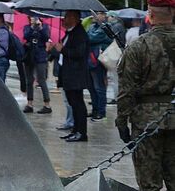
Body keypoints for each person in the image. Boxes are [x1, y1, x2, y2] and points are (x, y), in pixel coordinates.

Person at [115, 0, 175, 191]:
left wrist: (122, 120)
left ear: (150, 14)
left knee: (149, 186)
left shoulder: (139, 46)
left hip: (147, 122)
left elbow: (127, 90)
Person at [52, 10, 91, 143]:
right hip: (68, 74)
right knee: (72, 103)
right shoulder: (70, 33)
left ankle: (81, 132)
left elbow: (79, 53)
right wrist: (54, 49)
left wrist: (62, 49)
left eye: (67, 17)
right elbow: (62, 51)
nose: (64, 19)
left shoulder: (80, 34)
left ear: (74, 18)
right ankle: (75, 130)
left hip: (76, 74)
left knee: (77, 103)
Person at [22, 16, 52, 114]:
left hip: (40, 56)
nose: (33, 19)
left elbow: (46, 37)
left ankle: (47, 104)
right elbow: (26, 36)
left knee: (41, 79)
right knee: (29, 80)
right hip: (29, 56)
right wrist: (32, 27)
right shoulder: (27, 27)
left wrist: (40, 27)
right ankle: (29, 103)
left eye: (35, 17)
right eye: (31, 17)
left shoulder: (45, 27)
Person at [86, 12, 112, 121]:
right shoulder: (92, 26)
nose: (95, 16)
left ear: (104, 15)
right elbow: (87, 36)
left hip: (99, 61)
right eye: (95, 14)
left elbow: (92, 38)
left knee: (99, 87)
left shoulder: (106, 27)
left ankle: (101, 112)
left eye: (99, 14)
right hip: (90, 59)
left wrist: (89, 37)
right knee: (91, 87)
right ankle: (95, 110)